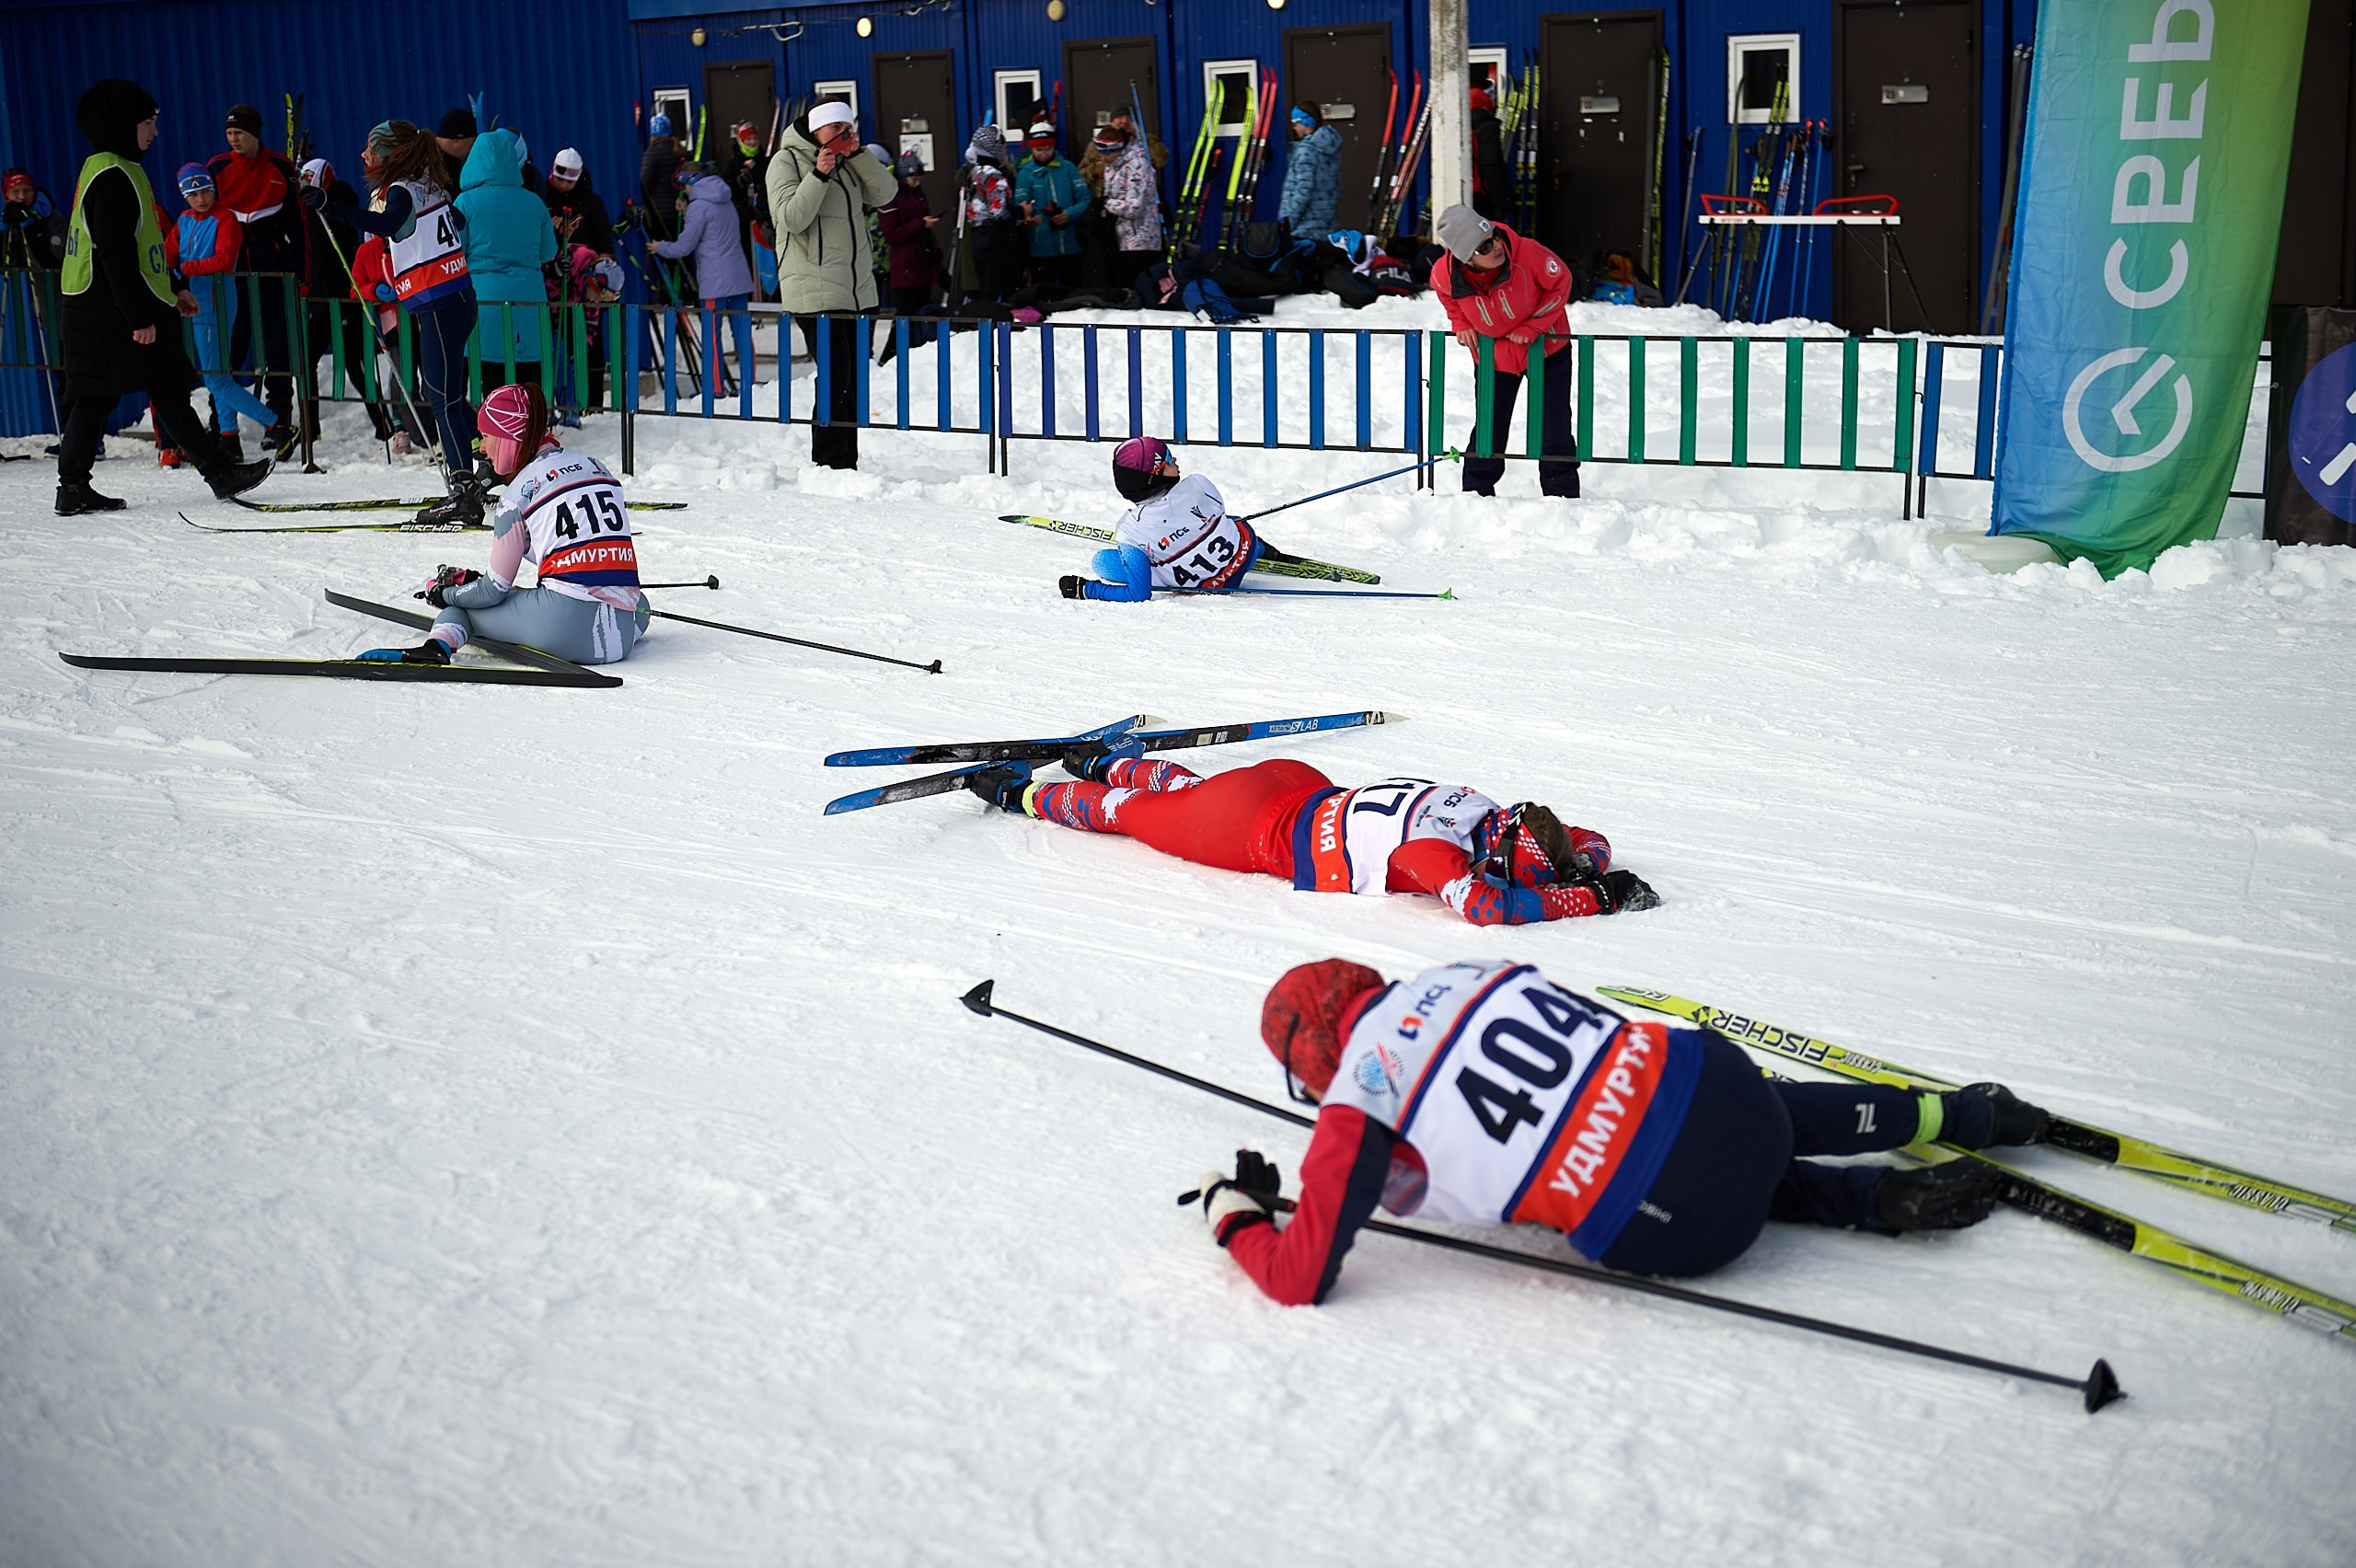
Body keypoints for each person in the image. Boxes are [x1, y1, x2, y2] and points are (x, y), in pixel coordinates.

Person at [1190, 957, 2053, 1302]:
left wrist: (1237, 1216)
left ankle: (1873, 1199)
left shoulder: (1354, 1108)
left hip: (1685, 1226)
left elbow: (1301, 1276)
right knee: (1699, 1112)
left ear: (1312, 1064)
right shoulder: (1458, 972)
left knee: (1641, 1168)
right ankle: (1965, 1112)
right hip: (1731, 1090)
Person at [965, 748, 1658, 927]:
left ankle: (1108, 759)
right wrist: (1589, 898)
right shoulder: (1431, 858)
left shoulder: (1487, 811)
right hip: (1250, 832)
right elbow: (1488, 908)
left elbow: (1584, 838)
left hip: (1297, 784)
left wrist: (1583, 868)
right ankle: (1021, 792)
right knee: (1129, 817)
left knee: (1184, 793)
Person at [53, 79, 271, 514]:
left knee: (146, 387)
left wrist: (174, 291)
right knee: (127, 390)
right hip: (108, 307)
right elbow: (114, 254)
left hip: (107, 302)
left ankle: (74, 486)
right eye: (148, 123)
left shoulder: (113, 166)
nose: (154, 132)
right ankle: (217, 472)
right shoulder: (113, 176)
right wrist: (140, 317)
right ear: (123, 124)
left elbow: (143, 252)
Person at [363, 382, 648, 667]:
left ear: (509, 436)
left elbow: (492, 591)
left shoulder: (517, 495)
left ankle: (435, 649)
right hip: (621, 633)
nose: (482, 448)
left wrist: (446, 594)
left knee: (462, 609)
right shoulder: (596, 465)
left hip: (564, 630)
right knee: (641, 603)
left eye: (486, 436)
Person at [345, 120, 481, 523]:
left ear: (390, 154)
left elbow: (390, 224)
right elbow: (457, 222)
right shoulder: (429, 184)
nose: (364, 156)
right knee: (444, 393)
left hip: (439, 302)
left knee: (441, 398)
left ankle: (464, 488)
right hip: (456, 298)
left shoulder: (403, 190)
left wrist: (332, 209)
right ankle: (498, 451)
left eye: (371, 149)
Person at [766, 98, 895, 470]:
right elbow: (790, 217)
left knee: (852, 380)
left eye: (848, 129)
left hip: (856, 290)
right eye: (837, 129)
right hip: (815, 291)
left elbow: (885, 194)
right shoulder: (786, 161)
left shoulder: (850, 162)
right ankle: (829, 461)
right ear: (816, 129)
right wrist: (818, 175)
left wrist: (858, 155)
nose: (844, 135)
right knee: (836, 377)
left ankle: (845, 461)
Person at [1433, 203, 1578, 500]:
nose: (1497, 246)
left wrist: (1535, 326)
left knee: (1554, 427)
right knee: (1489, 427)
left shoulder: (1527, 253)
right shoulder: (1444, 274)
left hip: (1547, 351)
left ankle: (1561, 496)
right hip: (1493, 358)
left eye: (1494, 236)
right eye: (1484, 247)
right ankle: (1476, 494)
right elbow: (1447, 296)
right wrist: (1460, 322)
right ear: (1466, 259)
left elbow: (1561, 282)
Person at [1059, 435, 1298, 601]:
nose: (1176, 463)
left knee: (1102, 561)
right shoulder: (1197, 483)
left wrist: (1086, 589)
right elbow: (1219, 513)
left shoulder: (1130, 530)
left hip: (1210, 587)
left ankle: (1148, 556)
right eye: (1169, 461)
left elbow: (1138, 594)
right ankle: (1268, 552)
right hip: (1244, 552)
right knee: (1229, 521)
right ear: (1156, 476)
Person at [206, 102, 307, 457]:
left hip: (272, 272)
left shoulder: (280, 166)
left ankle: (280, 422)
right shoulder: (217, 168)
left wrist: (301, 272)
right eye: (229, 133)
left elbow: (299, 224)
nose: (234, 139)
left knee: (278, 350)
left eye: (240, 133)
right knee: (228, 352)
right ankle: (221, 424)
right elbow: (202, 217)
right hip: (230, 275)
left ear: (255, 134)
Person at [163, 164, 279, 461]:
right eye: (194, 194)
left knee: (216, 379)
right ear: (185, 197)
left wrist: (184, 269)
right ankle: (229, 436)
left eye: (205, 191)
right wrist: (170, 270)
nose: (201, 198)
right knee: (219, 374)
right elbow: (168, 253)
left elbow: (224, 259)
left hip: (215, 305)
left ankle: (275, 423)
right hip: (188, 304)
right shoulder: (184, 220)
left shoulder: (225, 218)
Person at [454, 127, 555, 392]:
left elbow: (456, 252)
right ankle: (531, 431)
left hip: (485, 303)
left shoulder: (465, 203)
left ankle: (493, 432)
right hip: (530, 303)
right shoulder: (535, 203)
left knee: (491, 380)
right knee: (529, 381)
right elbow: (548, 253)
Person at [652, 162, 756, 397]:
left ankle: (715, 388)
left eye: (684, 186)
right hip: (738, 275)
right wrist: (688, 212)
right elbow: (715, 228)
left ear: (692, 182)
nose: (684, 191)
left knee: (711, 335)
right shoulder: (724, 198)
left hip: (714, 281)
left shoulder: (699, 206)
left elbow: (684, 246)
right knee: (741, 332)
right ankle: (750, 386)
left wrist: (660, 247)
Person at [875, 147, 941, 358]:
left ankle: (914, 358)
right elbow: (892, 235)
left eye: (919, 179)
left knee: (919, 319)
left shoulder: (916, 194)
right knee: (904, 321)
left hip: (921, 265)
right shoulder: (891, 197)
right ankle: (890, 358)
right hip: (904, 271)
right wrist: (920, 224)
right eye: (913, 179)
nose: (917, 183)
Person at [1012, 121, 1088, 292]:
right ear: (1031, 149)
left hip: (1070, 244)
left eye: (1048, 148)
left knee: (1073, 292)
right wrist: (1028, 221)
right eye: (1039, 150)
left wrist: (1069, 214)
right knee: (1045, 294)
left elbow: (1085, 199)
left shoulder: (1068, 168)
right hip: (1041, 247)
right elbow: (1020, 209)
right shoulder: (1025, 174)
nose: (1044, 153)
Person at [1091, 119, 1163, 288]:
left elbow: (1134, 208)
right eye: (1100, 152)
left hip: (1141, 240)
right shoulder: (1112, 166)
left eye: (1106, 153)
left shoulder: (1138, 166)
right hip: (1122, 240)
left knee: (1140, 291)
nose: (1103, 157)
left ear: (1117, 149)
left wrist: (1106, 203)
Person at [953, 125, 1017, 310]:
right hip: (994, 239)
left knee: (985, 290)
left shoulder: (972, 173)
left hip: (977, 238)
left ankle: (984, 327)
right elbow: (999, 211)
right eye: (1002, 147)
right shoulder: (992, 174)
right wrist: (1021, 211)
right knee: (997, 291)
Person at [1276, 103, 1343, 245]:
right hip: (1326, 223)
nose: (1294, 127)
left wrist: (1288, 224)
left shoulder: (1306, 152)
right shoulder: (1328, 148)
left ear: (1306, 122)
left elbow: (1302, 192)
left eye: (1296, 123)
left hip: (1304, 228)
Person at [542, 148, 616, 257]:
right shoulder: (542, 198)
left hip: (584, 264)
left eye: (569, 182)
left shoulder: (591, 202)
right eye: (559, 179)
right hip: (551, 264)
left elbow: (603, 239)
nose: (563, 185)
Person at [639, 113, 683, 252]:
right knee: (680, 250)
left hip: (659, 215)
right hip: (681, 211)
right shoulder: (680, 152)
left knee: (663, 252)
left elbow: (645, 184)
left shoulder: (652, 153)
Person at [1470, 86, 1513, 224]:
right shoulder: (1487, 126)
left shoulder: (1460, 123)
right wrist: (1500, 201)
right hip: (1483, 195)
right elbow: (1491, 164)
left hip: (1468, 191)